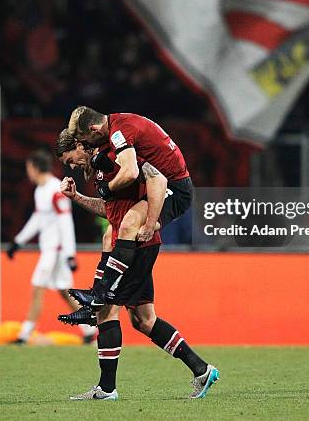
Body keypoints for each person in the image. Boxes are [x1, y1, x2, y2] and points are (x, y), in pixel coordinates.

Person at [54, 133, 219, 401]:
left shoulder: (117, 157)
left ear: (80, 146)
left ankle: (106, 388)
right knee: (144, 320)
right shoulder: (99, 170)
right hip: (127, 246)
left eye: (71, 159)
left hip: (135, 247)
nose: (72, 166)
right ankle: (202, 370)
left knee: (106, 312)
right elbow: (110, 211)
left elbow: (156, 177)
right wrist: (77, 197)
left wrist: (151, 220)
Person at [66, 106, 193, 307]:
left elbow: (131, 172)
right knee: (144, 320)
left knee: (129, 224)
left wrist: (107, 189)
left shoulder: (119, 133)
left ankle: (99, 295)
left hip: (174, 188)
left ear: (95, 129)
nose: (86, 145)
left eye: (86, 140)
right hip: (159, 185)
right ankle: (97, 300)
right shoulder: (118, 127)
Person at [6, 150, 96, 343]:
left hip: (55, 252)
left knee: (37, 287)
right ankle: (89, 330)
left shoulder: (57, 190)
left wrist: (70, 254)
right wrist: (18, 241)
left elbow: (65, 222)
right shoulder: (41, 190)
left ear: (35, 168)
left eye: (29, 168)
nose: (28, 172)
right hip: (52, 251)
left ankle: (24, 335)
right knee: (65, 291)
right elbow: (38, 219)